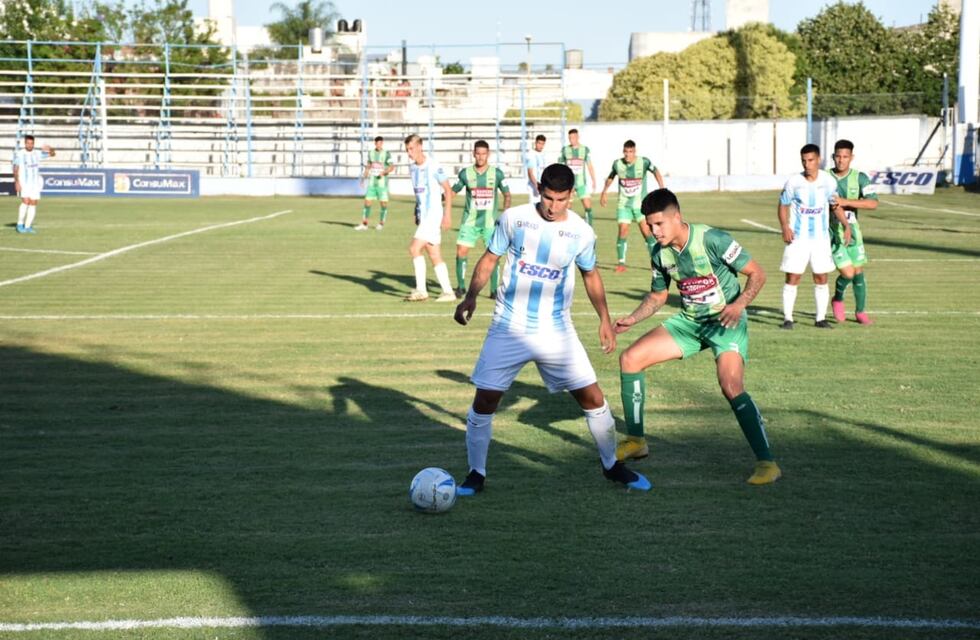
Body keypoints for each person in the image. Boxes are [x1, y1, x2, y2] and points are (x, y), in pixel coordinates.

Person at [453, 164, 651, 495]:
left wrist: (604, 318)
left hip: (556, 329)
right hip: (509, 325)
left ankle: (611, 466)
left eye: (560, 199)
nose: (552, 206)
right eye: (547, 197)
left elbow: (590, 275)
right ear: (539, 190)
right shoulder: (514, 219)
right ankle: (476, 474)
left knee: (592, 397)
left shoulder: (582, 232)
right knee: (485, 400)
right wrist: (470, 297)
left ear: (571, 196)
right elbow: (489, 259)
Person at [613, 189, 780, 485]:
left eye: (659, 224)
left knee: (731, 385)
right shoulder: (659, 252)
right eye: (649, 225)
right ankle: (637, 441)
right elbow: (658, 295)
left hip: (724, 321)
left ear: (677, 217)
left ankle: (767, 463)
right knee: (630, 358)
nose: (653, 231)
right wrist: (633, 318)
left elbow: (757, 274)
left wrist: (738, 305)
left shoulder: (713, 239)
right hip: (689, 322)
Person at [778, 144, 851, 329]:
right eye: (803, 160)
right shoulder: (794, 182)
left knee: (821, 277)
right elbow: (783, 204)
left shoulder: (828, 181)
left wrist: (846, 224)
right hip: (798, 239)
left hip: (821, 239)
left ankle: (820, 319)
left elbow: (834, 204)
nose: (807, 164)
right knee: (793, 276)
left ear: (818, 160)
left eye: (810, 160)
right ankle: (788, 319)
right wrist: (785, 227)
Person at [451, 140, 511, 298]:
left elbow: (507, 194)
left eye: (483, 154)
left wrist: (505, 213)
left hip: (490, 223)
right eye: (478, 153)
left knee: (494, 255)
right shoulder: (465, 173)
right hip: (469, 222)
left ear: (488, 154)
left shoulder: (497, 174)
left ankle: (493, 291)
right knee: (461, 252)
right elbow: (453, 191)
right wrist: (439, 202)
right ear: (473, 154)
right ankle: (461, 287)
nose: (480, 157)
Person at [828, 139, 878, 325]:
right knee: (848, 273)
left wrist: (845, 201)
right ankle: (838, 298)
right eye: (838, 156)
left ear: (851, 157)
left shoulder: (860, 178)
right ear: (833, 157)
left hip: (853, 231)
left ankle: (860, 312)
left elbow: (873, 203)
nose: (841, 160)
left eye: (845, 157)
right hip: (832, 232)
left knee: (858, 271)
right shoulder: (824, 176)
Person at [404, 134, 456, 302]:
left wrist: (447, 215)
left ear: (420, 146)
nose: (409, 153)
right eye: (407, 150)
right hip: (424, 215)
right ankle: (448, 292)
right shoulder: (412, 168)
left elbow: (447, 190)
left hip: (433, 215)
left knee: (414, 249)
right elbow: (418, 193)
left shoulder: (433, 165)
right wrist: (415, 210)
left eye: (411, 149)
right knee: (433, 254)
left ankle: (421, 290)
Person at [600, 140, 665, 273]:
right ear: (623, 152)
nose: (628, 154)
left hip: (641, 205)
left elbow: (656, 171)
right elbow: (611, 177)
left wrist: (662, 188)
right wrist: (604, 192)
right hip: (623, 205)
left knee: (647, 233)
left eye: (630, 152)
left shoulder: (644, 162)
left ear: (634, 151)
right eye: (626, 152)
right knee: (623, 231)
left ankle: (656, 262)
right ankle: (621, 263)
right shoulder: (618, 164)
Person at [12, 135, 55, 234]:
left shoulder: (37, 153)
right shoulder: (19, 154)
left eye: (31, 143)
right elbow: (15, 169)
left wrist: (49, 148)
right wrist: (17, 182)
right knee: (25, 202)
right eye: (28, 143)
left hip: (35, 183)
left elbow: (53, 154)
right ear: (25, 143)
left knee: (33, 203)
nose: (30, 145)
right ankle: (19, 224)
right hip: (24, 182)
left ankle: (27, 226)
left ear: (33, 144)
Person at [558, 128, 598, 226]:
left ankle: (590, 229)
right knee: (567, 208)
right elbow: (560, 166)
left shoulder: (584, 150)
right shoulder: (565, 150)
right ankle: (567, 227)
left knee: (588, 206)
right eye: (570, 138)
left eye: (573, 137)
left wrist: (593, 180)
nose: (571, 139)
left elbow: (590, 166)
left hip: (581, 184)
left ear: (577, 137)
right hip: (569, 184)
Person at [355, 136, 394, 231]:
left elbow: (392, 167)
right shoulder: (371, 153)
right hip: (372, 183)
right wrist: (363, 179)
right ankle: (364, 224)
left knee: (383, 204)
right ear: (375, 143)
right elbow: (368, 167)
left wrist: (384, 172)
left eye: (381, 143)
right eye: (378, 143)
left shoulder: (386, 154)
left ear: (382, 143)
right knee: (367, 203)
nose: (379, 145)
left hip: (382, 184)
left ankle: (381, 223)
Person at [524, 134, 547, 204]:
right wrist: (536, 185)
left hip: (542, 185)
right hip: (534, 185)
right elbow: (530, 172)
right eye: (539, 143)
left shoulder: (544, 155)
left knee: (542, 207)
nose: (541, 146)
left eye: (543, 144)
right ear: (535, 143)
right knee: (533, 207)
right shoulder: (531, 154)